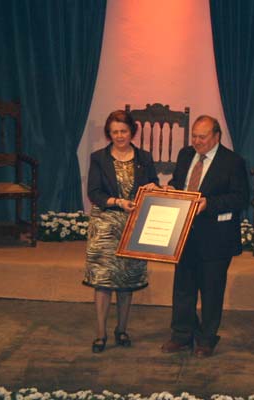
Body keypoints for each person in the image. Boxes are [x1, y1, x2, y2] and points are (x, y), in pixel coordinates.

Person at [161, 115, 249, 357]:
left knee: (211, 291)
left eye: (202, 137)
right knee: (183, 289)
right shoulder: (185, 154)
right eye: (194, 136)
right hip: (185, 235)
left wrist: (208, 203)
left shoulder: (233, 162)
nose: (196, 141)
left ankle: (206, 340)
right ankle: (181, 335)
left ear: (216, 137)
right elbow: (180, 182)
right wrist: (170, 188)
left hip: (216, 238)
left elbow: (241, 198)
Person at [83, 110, 159, 353]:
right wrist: (117, 202)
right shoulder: (98, 158)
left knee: (127, 283)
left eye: (123, 131)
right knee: (103, 283)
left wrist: (153, 187)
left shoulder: (144, 158)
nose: (119, 136)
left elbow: (154, 185)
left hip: (134, 226)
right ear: (109, 133)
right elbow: (94, 193)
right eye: (114, 132)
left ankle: (122, 330)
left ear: (132, 132)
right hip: (105, 226)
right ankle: (100, 333)